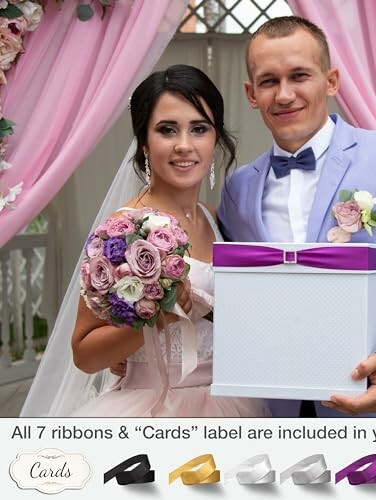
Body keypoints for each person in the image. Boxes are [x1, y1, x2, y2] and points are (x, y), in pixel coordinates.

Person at [217, 16, 376, 418]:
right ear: (251, 93)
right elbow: (236, 297)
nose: (284, 94)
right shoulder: (237, 190)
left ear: (331, 81)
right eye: (269, 81)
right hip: (279, 415)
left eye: (300, 75)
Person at [21, 65, 269, 417]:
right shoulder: (124, 231)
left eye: (199, 129)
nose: (185, 145)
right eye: (167, 130)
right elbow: (85, 354)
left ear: (216, 138)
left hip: (229, 403)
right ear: (144, 142)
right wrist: (158, 318)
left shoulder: (213, 218)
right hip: (155, 407)